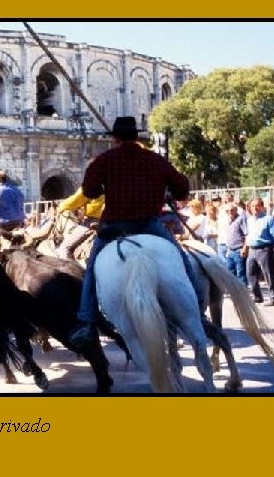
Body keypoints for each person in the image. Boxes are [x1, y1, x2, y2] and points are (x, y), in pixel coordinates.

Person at [68, 116, 196, 349]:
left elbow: (89, 190)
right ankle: (198, 309)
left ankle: (86, 320)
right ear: (136, 136)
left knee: (91, 272)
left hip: (114, 226)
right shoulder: (155, 159)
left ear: (115, 138)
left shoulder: (105, 160)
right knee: (184, 262)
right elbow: (182, 188)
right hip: (150, 224)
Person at [242, 198, 274, 306]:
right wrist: (245, 248)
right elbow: (248, 235)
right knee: (250, 274)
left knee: (268, 273)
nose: (255, 208)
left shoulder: (268, 219)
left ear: (262, 207)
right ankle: (257, 297)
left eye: (258, 206)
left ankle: (273, 297)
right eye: (253, 206)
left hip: (264, 249)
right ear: (249, 208)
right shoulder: (249, 220)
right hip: (252, 249)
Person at [55, 187, 104, 260]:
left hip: (93, 220)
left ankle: (70, 271)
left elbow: (76, 199)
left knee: (64, 247)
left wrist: (61, 207)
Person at [225, 203, 249, 286]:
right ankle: (234, 293)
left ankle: (243, 293)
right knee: (230, 273)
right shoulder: (229, 221)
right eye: (227, 211)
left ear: (236, 210)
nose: (230, 212)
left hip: (239, 250)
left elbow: (247, 234)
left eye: (232, 210)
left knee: (240, 274)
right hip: (230, 250)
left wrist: (245, 248)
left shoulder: (241, 219)